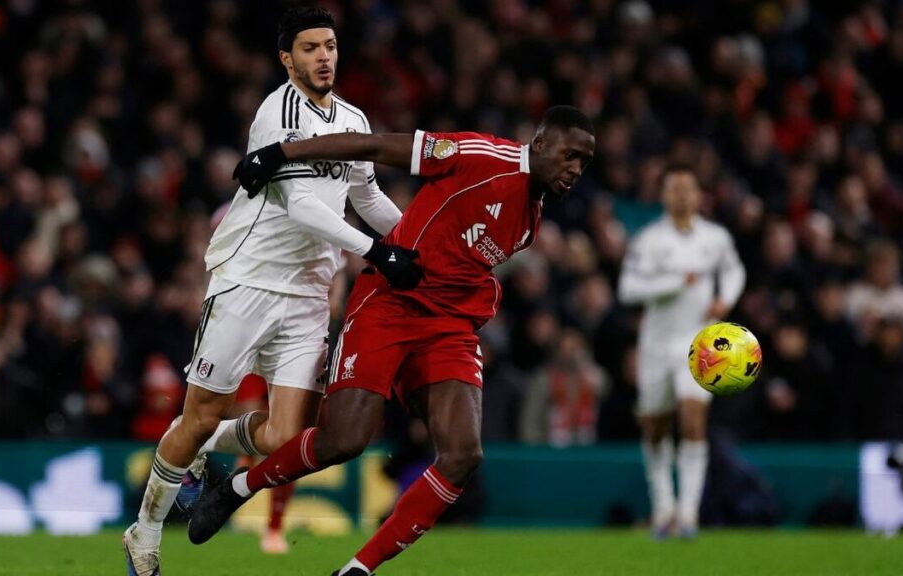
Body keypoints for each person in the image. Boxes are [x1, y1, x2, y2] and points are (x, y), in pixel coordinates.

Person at [187, 105, 596, 576]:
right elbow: (374, 146)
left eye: (584, 164)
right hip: (390, 304)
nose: (575, 170)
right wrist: (280, 151)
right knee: (344, 440)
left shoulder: (532, 216)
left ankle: (357, 570)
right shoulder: (479, 156)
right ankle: (242, 486)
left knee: (463, 455)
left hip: (449, 326)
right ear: (539, 144)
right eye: (570, 156)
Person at [122, 7, 423, 575]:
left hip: (310, 294)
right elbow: (301, 205)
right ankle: (145, 534)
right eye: (310, 48)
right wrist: (376, 251)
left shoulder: (354, 118)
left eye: (330, 46)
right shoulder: (277, 113)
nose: (324, 57)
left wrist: (416, 242)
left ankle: (203, 449)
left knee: (286, 435)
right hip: (248, 282)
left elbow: (368, 197)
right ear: (287, 59)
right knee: (201, 414)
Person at [617, 163, 746, 539]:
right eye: (674, 189)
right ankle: (663, 508)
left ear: (698, 195)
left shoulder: (716, 237)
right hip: (656, 345)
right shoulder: (649, 240)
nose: (682, 196)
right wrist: (674, 283)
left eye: (688, 189)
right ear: (664, 196)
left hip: (699, 343)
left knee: (692, 419)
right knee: (655, 428)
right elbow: (628, 289)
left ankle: (688, 514)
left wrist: (725, 298)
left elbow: (735, 271)